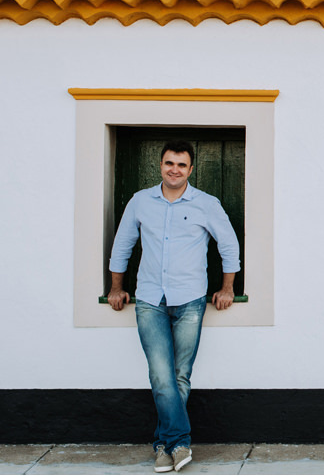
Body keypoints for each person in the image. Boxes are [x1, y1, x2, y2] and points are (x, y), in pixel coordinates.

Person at [107, 140, 240, 473]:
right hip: (150, 299)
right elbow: (122, 247)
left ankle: (165, 447)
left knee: (180, 375)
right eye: (169, 163)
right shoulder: (140, 202)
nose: (175, 170)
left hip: (191, 300)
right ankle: (179, 442)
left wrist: (227, 289)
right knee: (161, 375)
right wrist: (116, 289)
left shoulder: (206, 204)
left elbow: (229, 246)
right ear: (160, 166)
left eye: (181, 165)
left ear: (191, 169)